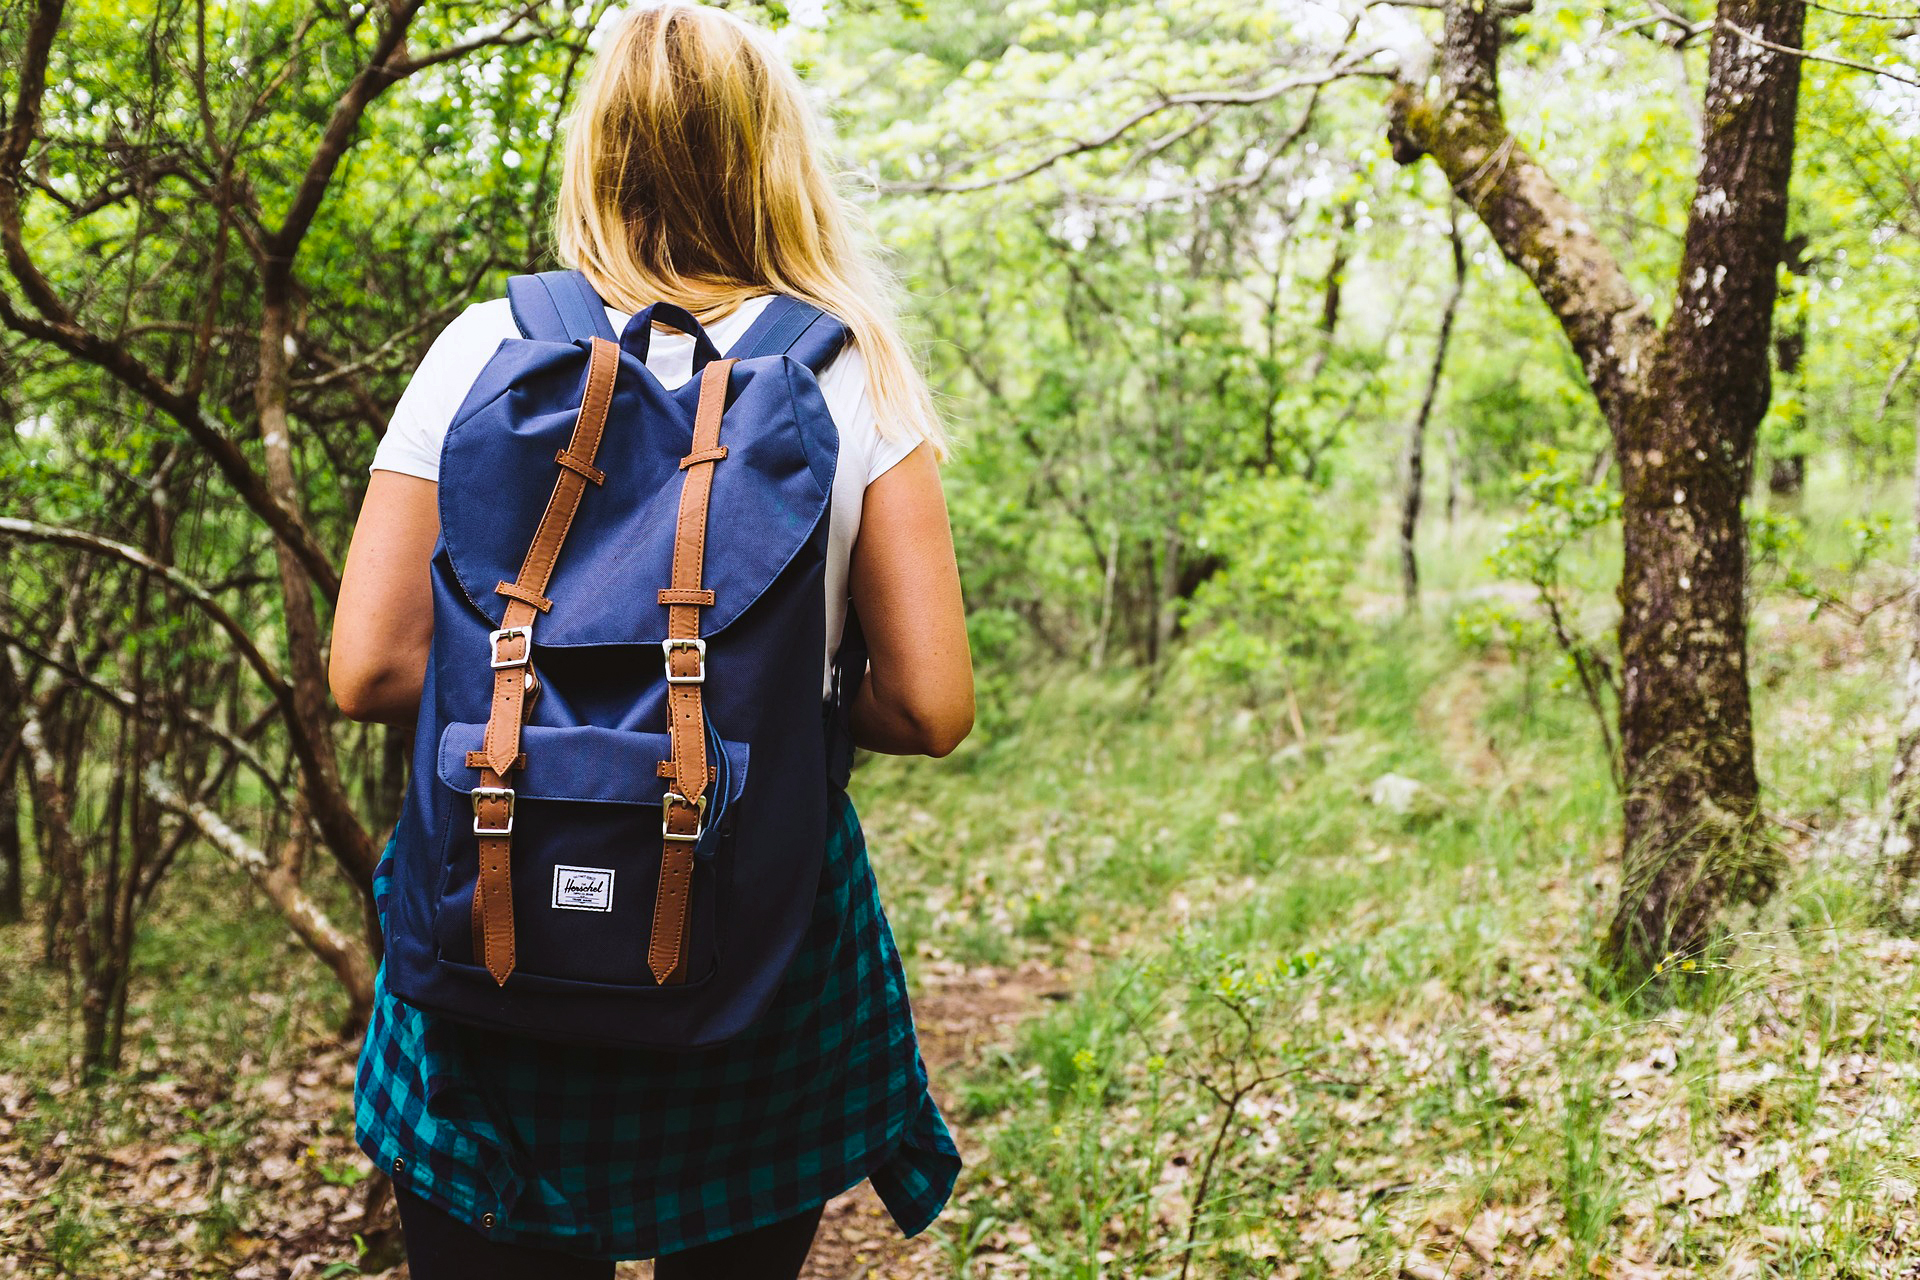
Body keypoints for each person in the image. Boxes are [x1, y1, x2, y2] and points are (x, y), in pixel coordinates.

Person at [328, 6, 974, 1277]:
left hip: (496, 920)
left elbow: (370, 668)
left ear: (599, 153)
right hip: (752, 938)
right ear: (772, 155)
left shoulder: (486, 347)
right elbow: (933, 705)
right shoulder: (852, 373)